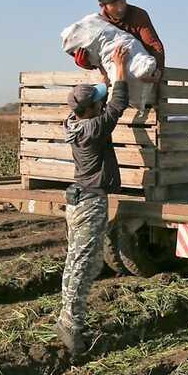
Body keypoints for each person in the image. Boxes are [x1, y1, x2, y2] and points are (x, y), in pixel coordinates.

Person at [55, 45, 130, 356]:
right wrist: (121, 67)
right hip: (89, 203)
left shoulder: (73, 123)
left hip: (77, 200)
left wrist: (106, 74)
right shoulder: (93, 128)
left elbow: (103, 100)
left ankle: (69, 316)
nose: (102, 105)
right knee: (84, 264)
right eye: (96, 103)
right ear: (89, 111)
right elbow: (119, 104)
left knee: (79, 259)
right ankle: (70, 324)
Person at [70, 0, 165, 85]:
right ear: (103, 6)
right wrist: (85, 63)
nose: (120, 8)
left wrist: (157, 71)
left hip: (137, 71)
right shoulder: (98, 25)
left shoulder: (138, 15)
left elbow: (154, 45)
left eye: (122, 2)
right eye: (114, 5)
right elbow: (98, 58)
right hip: (112, 77)